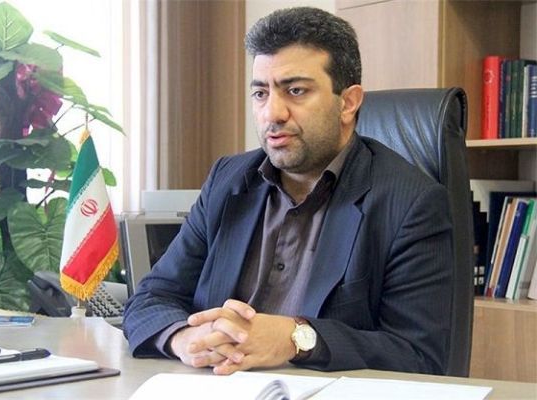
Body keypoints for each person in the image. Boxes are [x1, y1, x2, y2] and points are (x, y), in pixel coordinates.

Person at [123, 7, 453, 376]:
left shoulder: (410, 203)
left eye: (295, 91)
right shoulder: (227, 181)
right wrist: (186, 339)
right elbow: (150, 298)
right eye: (260, 93)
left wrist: (297, 339)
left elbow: (418, 355)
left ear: (348, 102)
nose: (272, 113)